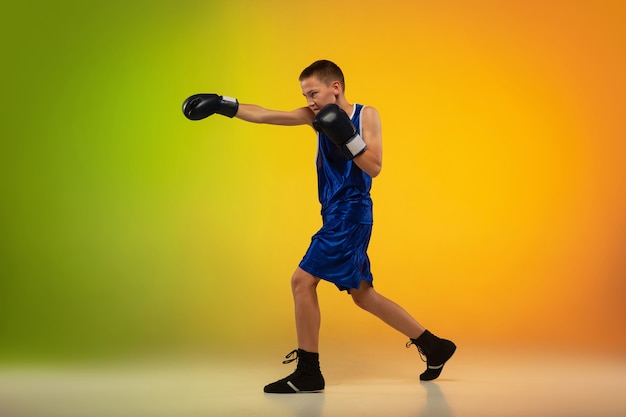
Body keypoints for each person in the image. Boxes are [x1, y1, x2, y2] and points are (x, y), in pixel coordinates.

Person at [182, 60, 456, 393]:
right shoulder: (315, 117)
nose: (310, 101)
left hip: (350, 212)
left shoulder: (365, 114)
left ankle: (309, 372)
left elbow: (374, 167)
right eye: (305, 95)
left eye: (313, 93)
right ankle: (435, 346)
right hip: (334, 213)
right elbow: (267, 114)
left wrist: (346, 136)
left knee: (301, 281)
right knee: (364, 296)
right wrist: (223, 104)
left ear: (335, 87)